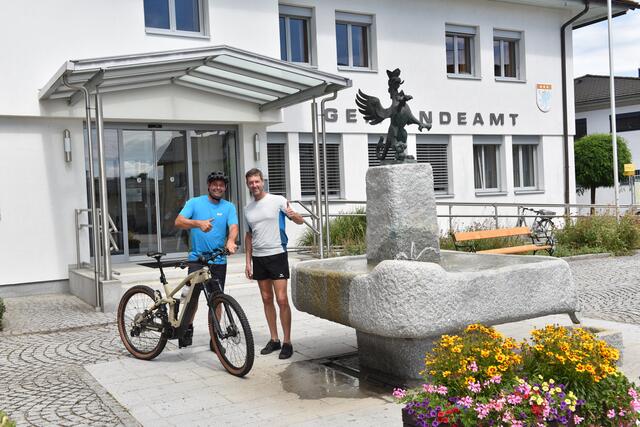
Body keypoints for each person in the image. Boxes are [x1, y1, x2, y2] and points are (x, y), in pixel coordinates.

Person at [244, 168, 304, 359]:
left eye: (257, 181)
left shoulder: (278, 200)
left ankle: (287, 342)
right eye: (251, 182)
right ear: (248, 185)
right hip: (259, 258)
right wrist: (248, 262)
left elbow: (300, 221)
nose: (254, 185)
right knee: (267, 299)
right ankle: (274, 339)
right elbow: (249, 236)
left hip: (277, 254)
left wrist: (293, 215)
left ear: (263, 182)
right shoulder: (247, 209)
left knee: (282, 299)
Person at [174, 171, 238, 348]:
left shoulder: (229, 207)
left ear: (225, 188)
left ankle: (215, 337)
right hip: (196, 260)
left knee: (217, 299)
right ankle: (187, 329)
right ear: (209, 186)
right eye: (215, 184)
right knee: (191, 298)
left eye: (221, 185)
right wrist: (198, 223)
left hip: (218, 261)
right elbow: (178, 221)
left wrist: (231, 240)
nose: (218, 187)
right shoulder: (194, 202)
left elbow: (233, 227)